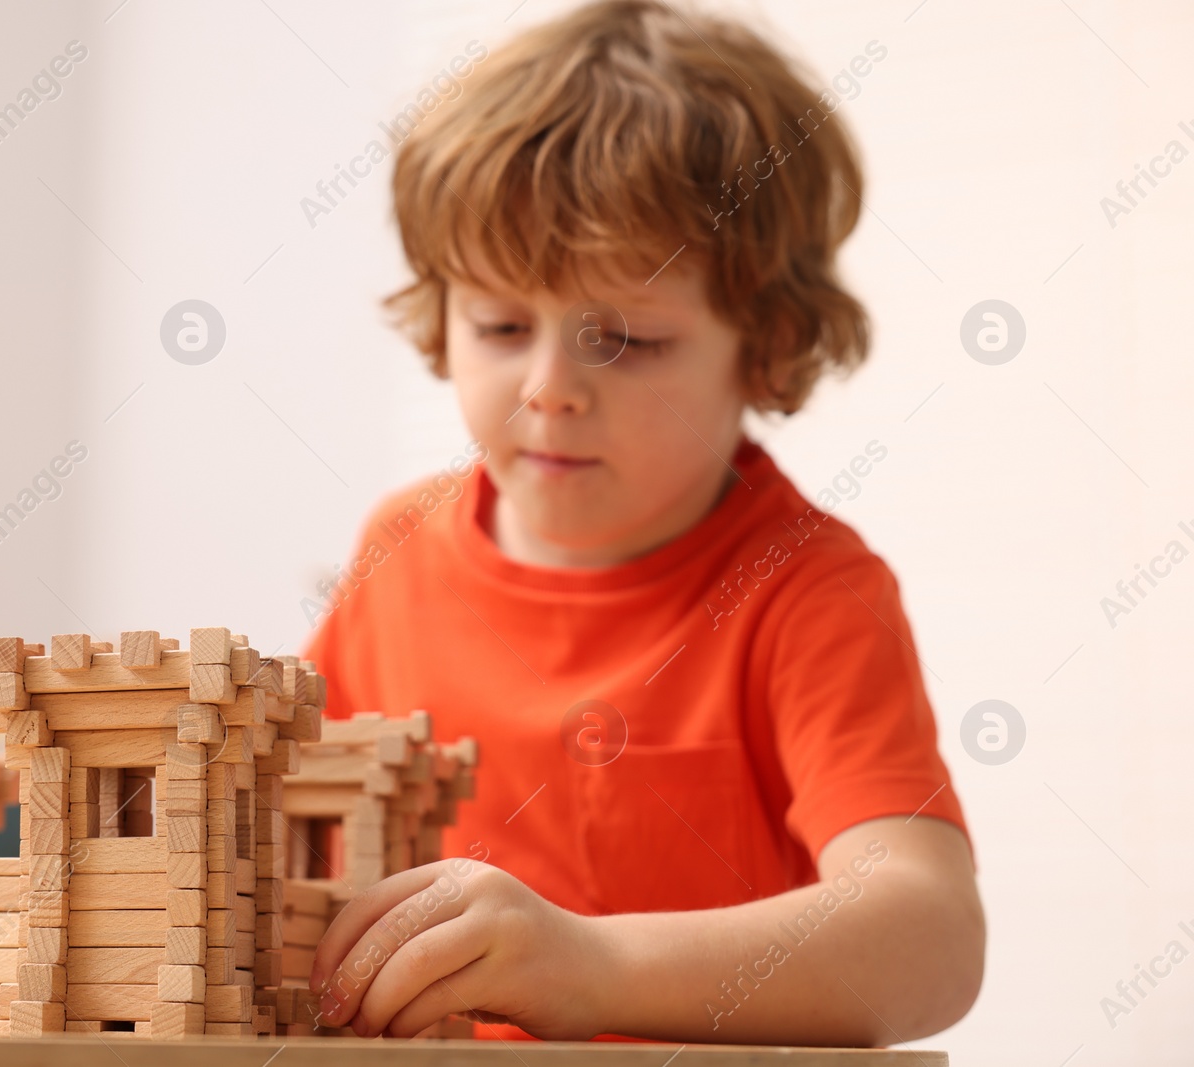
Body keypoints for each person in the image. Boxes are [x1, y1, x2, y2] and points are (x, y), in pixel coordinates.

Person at [301, 0, 984, 1045]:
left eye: (622, 339)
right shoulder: (396, 548)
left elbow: (929, 937)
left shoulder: (806, 589)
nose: (548, 388)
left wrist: (586, 963)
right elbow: (290, 834)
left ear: (766, 345)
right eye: (498, 324)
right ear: (439, 315)